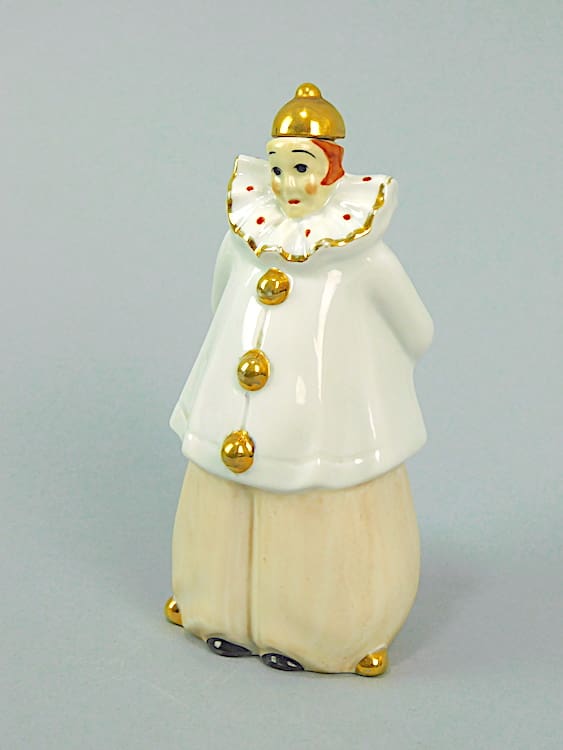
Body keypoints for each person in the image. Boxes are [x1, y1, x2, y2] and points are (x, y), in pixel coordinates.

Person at [165, 83, 433, 676]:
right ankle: (219, 611)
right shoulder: (243, 242)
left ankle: (314, 632)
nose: (289, 183)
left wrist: (364, 382)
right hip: (230, 417)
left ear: (333, 170)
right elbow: (220, 303)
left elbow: (416, 330)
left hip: (321, 425)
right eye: (279, 167)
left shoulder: (363, 258)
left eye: (303, 167)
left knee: (311, 512)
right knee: (224, 506)